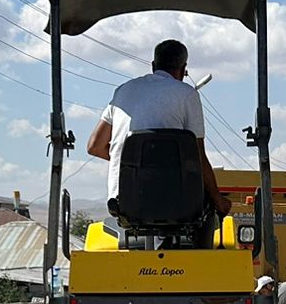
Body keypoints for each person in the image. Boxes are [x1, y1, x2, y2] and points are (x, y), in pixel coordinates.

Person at [87, 40, 231, 220]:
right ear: (183, 69)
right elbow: (198, 157)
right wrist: (218, 199)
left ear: (153, 65)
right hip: (175, 202)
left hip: (124, 200)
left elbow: (95, 146)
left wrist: (134, 164)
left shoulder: (123, 90)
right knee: (206, 208)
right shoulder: (187, 94)